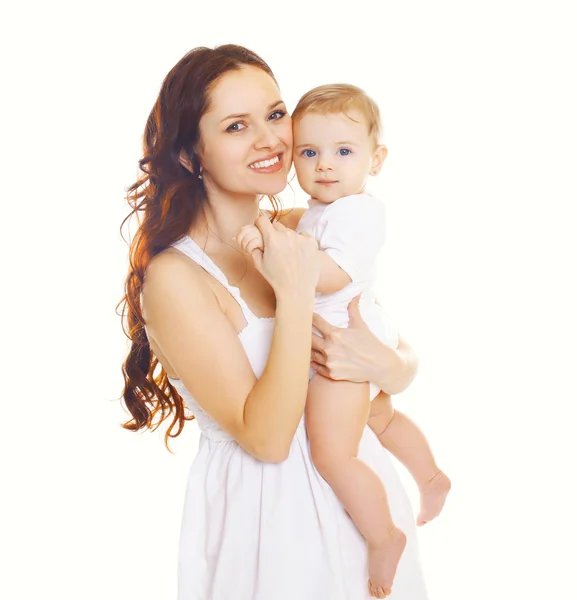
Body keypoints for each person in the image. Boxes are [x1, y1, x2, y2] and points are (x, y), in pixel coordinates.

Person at [118, 44, 429, 600]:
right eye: (237, 125)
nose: (270, 139)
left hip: (361, 506)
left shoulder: (302, 227)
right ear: (192, 155)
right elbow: (267, 439)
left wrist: (389, 367)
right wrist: (293, 291)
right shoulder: (176, 278)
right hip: (268, 525)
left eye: (276, 114)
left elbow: (396, 354)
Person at [236, 84, 450, 597]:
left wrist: (267, 256)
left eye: (343, 152)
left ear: (376, 160)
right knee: (380, 418)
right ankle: (431, 477)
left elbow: (329, 276)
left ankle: (382, 536)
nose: (325, 165)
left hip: (343, 349)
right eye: (309, 152)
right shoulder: (319, 210)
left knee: (333, 454)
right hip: (351, 335)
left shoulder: (359, 211)